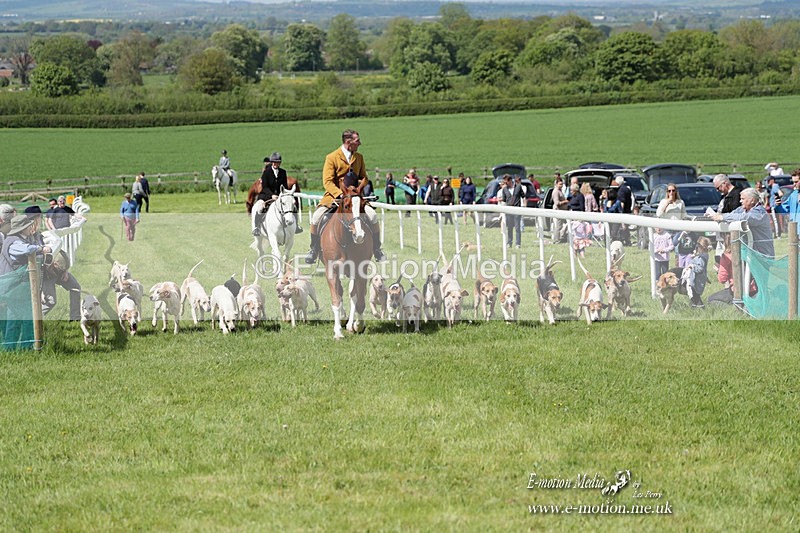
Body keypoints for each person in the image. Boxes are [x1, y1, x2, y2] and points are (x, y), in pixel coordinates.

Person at [304, 129, 385, 264]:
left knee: (373, 216)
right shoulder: (331, 157)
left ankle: (377, 249)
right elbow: (327, 181)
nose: (360, 143)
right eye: (357, 141)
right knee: (317, 217)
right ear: (348, 142)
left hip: (355, 197)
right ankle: (313, 249)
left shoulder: (359, 157)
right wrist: (341, 194)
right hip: (334, 197)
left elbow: (364, 177)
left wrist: (358, 188)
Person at [711, 188, 775, 257]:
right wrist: (714, 216)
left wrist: (722, 217)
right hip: (750, 254)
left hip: (762, 255)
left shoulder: (760, 212)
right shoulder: (741, 209)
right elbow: (732, 215)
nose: (740, 201)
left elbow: (745, 218)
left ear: (752, 200)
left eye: (743, 199)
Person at [252, 152, 302, 236]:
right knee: (260, 208)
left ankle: (296, 226)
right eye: (274, 162)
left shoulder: (283, 172)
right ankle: (256, 228)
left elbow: (285, 186)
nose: (276, 164)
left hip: (280, 196)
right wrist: (271, 195)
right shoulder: (266, 172)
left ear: (280, 163)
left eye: (277, 162)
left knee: (294, 207)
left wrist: (285, 195)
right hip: (266, 196)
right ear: (272, 162)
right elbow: (264, 187)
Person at [681, 236, 712, 308]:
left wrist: (692, 266)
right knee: (693, 295)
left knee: (695, 295)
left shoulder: (702, 258)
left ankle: (700, 307)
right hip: (697, 279)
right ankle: (694, 307)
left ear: (701, 247)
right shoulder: (702, 256)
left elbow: (700, 269)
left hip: (697, 280)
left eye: (697, 246)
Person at [499, 175, 524, 247]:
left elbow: (523, 195)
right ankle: (509, 242)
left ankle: (518, 243)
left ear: (510, 181)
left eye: (506, 182)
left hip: (517, 210)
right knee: (509, 227)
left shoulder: (518, 187)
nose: (505, 183)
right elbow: (504, 199)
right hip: (509, 210)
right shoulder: (504, 189)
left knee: (517, 227)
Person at [551, 178, 568, 243]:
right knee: (558, 226)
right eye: (560, 184)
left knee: (560, 225)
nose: (561, 185)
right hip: (558, 210)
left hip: (562, 211)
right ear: (556, 184)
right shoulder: (556, 191)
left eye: (562, 184)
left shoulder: (560, 191)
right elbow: (557, 203)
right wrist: (565, 201)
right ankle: (556, 240)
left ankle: (559, 238)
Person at [785, 169, 800, 233]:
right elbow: (784, 209)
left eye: (796, 182)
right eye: (793, 182)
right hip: (794, 232)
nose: (794, 184)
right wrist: (778, 205)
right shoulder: (793, 194)